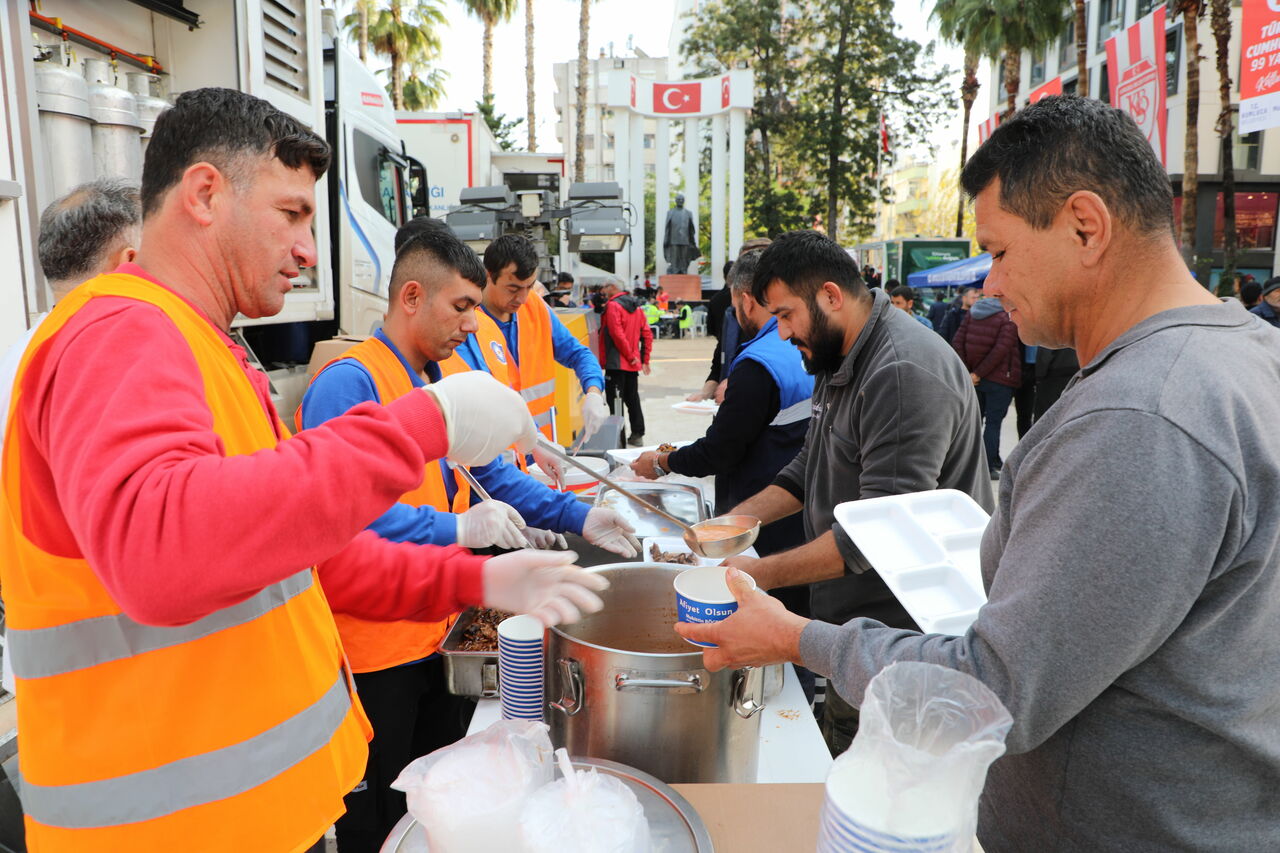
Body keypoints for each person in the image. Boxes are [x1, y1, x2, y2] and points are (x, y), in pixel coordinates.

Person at [0, 87, 609, 852]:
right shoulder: (119, 329)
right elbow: (164, 550)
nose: (310, 250)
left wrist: (476, 580)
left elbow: (304, 562)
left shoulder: (203, 350)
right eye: (292, 214)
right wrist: (428, 423)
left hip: (256, 819)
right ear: (204, 193)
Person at [680, 96, 1280, 851]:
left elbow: (992, 686)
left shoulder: (1143, 416)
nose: (989, 285)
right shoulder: (1237, 354)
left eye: (998, 251)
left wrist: (798, 636)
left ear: (1085, 226)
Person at [300, 223, 636, 852]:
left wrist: (575, 516)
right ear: (410, 298)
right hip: (376, 649)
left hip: (436, 630)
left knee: (438, 803)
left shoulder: (436, 382)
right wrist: (454, 527)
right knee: (378, 818)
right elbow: (338, 522)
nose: (470, 325)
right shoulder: (352, 382)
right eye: (459, 308)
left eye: (474, 310)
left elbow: (493, 474)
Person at [705, 230, 991, 755]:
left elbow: (872, 543)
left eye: (788, 315)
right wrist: (732, 524)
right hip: (849, 628)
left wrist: (753, 574)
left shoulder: (901, 374)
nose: (783, 333)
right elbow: (808, 465)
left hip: (897, 648)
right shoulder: (838, 352)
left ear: (831, 296)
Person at [0, 178, 142, 696]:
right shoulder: (110, 361)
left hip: (41, 660)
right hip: (120, 672)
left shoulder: (16, 358)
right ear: (128, 261)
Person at [630, 249, 812, 556]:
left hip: (762, 522)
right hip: (802, 511)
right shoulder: (803, 345)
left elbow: (717, 453)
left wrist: (660, 462)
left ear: (746, 299)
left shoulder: (758, 364)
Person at [473, 234, 610, 445]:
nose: (522, 298)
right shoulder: (467, 323)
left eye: (529, 287)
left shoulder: (535, 308)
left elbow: (578, 353)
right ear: (488, 275)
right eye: (513, 289)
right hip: (496, 459)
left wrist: (593, 391)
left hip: (541, 454)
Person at [952, 296, 1021, 478]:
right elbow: (1002, 349)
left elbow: (957, 342)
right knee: (993, 423)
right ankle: (987, 466)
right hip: (998, 380)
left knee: (974, 423)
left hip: (974, 380)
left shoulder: (972, 314)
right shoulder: (1007, 316)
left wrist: (969, 373)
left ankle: (969, 465)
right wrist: (979, 373)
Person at [600, 277, 653, 447]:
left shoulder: (613, 306)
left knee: (615, 400)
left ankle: (619, 438)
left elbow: (617, 334)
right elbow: (646, 333)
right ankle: (637, 434)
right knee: (632, 399)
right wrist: (643, 360)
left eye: (605, 286)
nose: (603, 290)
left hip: (616, 363)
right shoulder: (636, 307)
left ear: (613, 287)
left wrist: (629, 356)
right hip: (632, 364)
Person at [1032, 346, 1078, 420]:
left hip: (1053, 377)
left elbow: (1044, 355)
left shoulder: (1054, 337)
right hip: (1075, 373)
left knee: (1045, 414)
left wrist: (1039, 377)